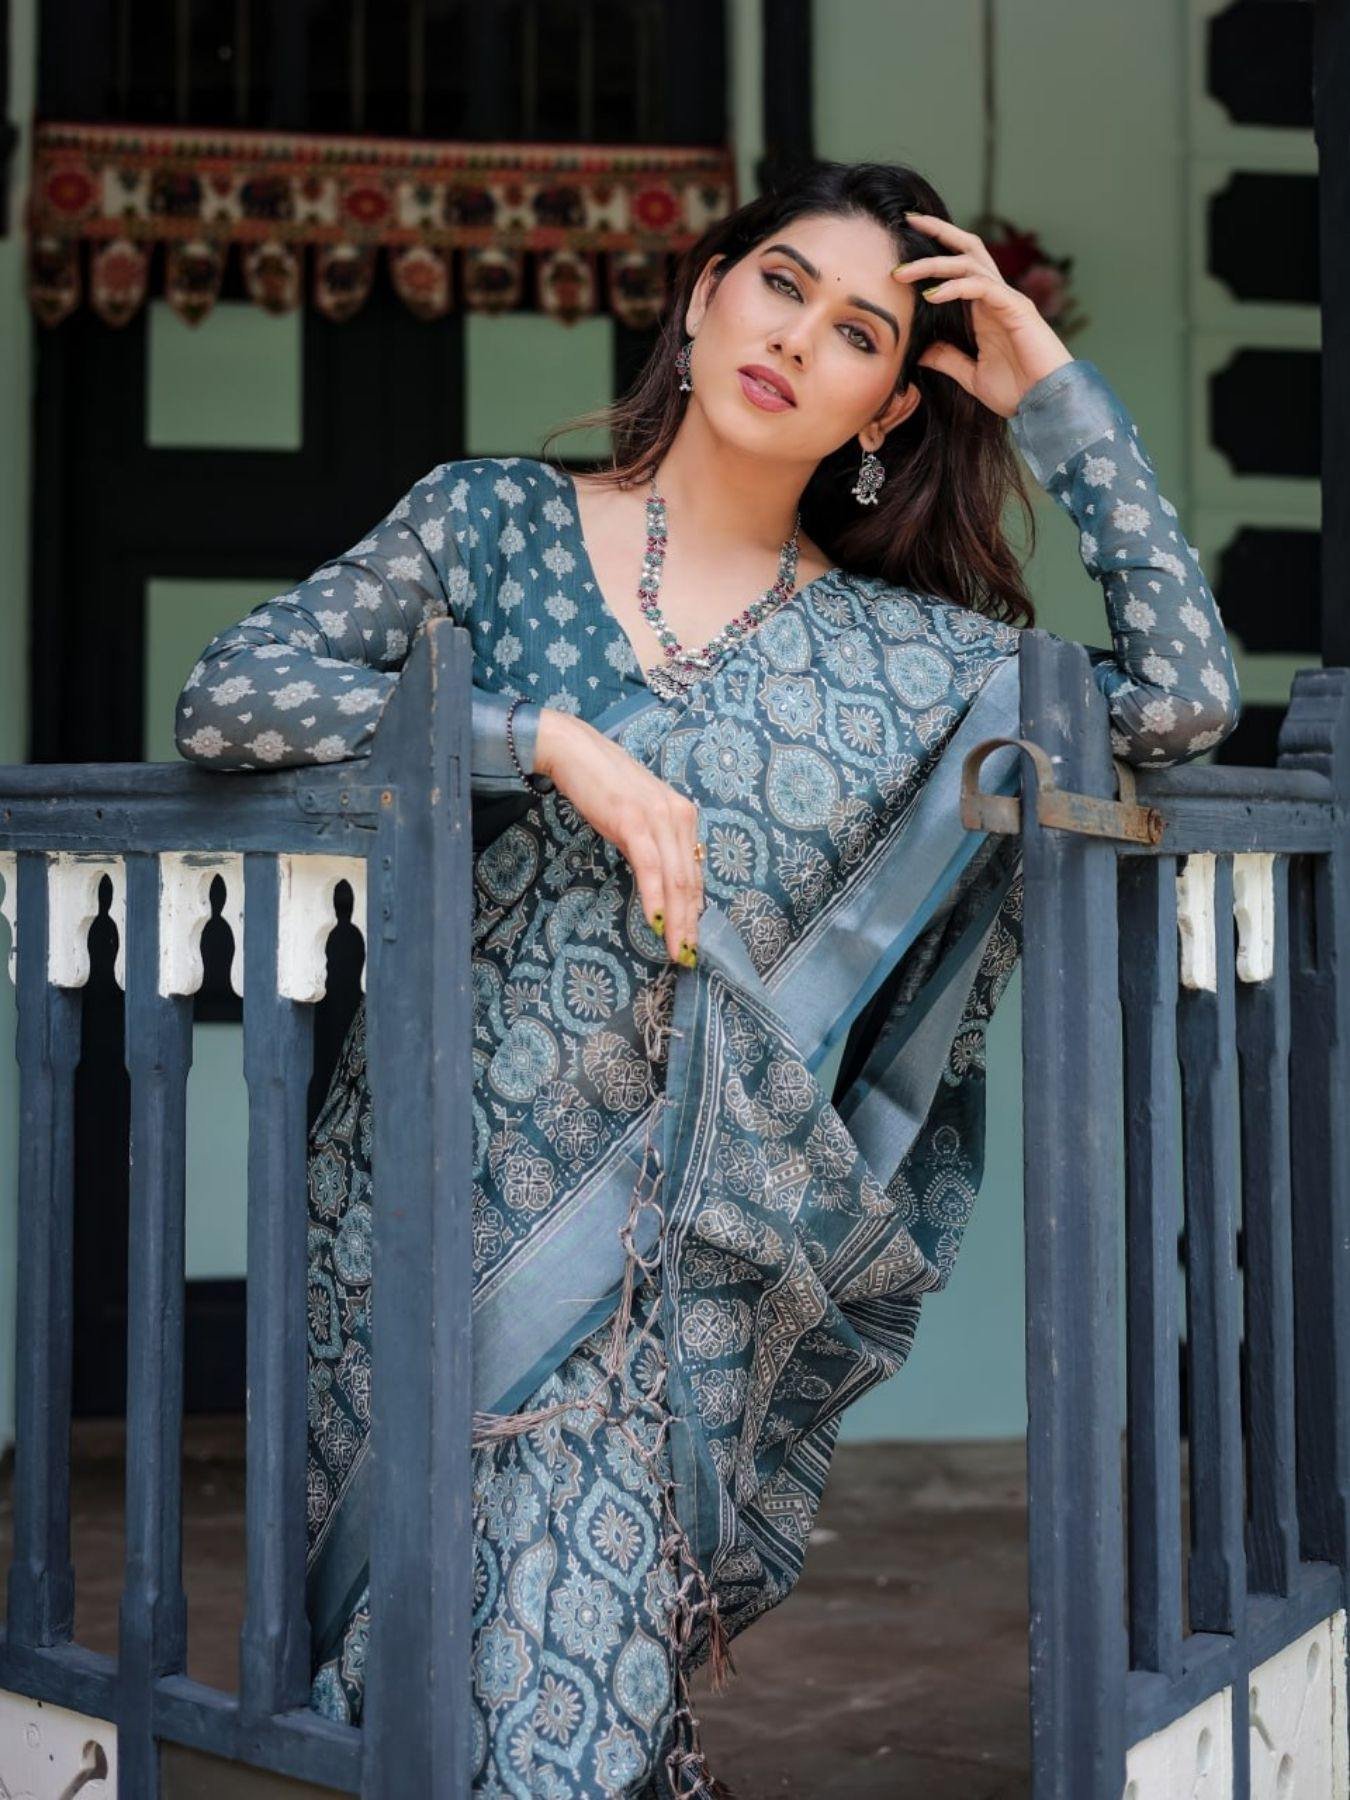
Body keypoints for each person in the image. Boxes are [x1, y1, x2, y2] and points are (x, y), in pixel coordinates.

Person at [174, 159, 1240, 1797]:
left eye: (859, 333)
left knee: (562, 1726)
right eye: (780, 285)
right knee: (419, 1698)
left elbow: (1179, 699)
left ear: (890, 404)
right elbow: (232, 698)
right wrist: (538, 739)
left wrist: (1054, 401)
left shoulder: (906, 661)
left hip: (661, 1269)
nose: (798, 338)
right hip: (415, 1209)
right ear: (701, 295)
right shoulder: (492, 523)